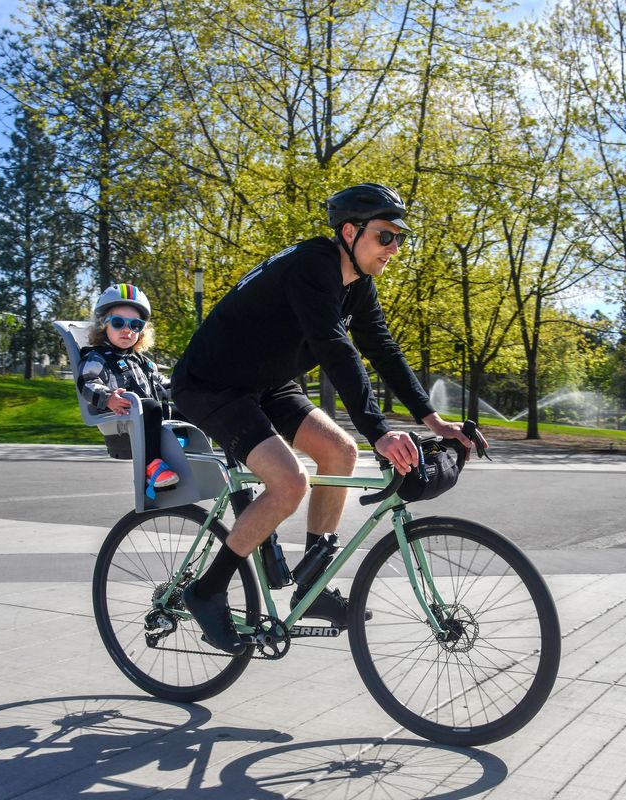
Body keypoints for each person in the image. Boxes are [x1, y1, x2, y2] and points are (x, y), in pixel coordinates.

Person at [170, 183, 487, 653]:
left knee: (340, 452)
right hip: (212, 385)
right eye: (385, 237)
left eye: (401, 238)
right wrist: (378, 428)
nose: (394, 248)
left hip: (268, 384)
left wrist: (434, 421)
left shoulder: (358, 285)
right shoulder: (312, 265)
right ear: (349, 232)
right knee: (289, 483)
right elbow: (335, 348)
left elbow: (382, 349)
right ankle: (206, 590)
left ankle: (311, 587)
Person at [78, 284, 179, 498]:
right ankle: (152, 468)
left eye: (135, 324)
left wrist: (185, 389)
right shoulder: (98, 357)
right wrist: (107, 398)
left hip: (149, 420)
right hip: (122, 422)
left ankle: (195, 457)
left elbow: (162, 385)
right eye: (118, 323)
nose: (127, 329)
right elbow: (87, 382)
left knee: (188, 408)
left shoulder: (142, 362)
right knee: (149, 405)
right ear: (102, 326)